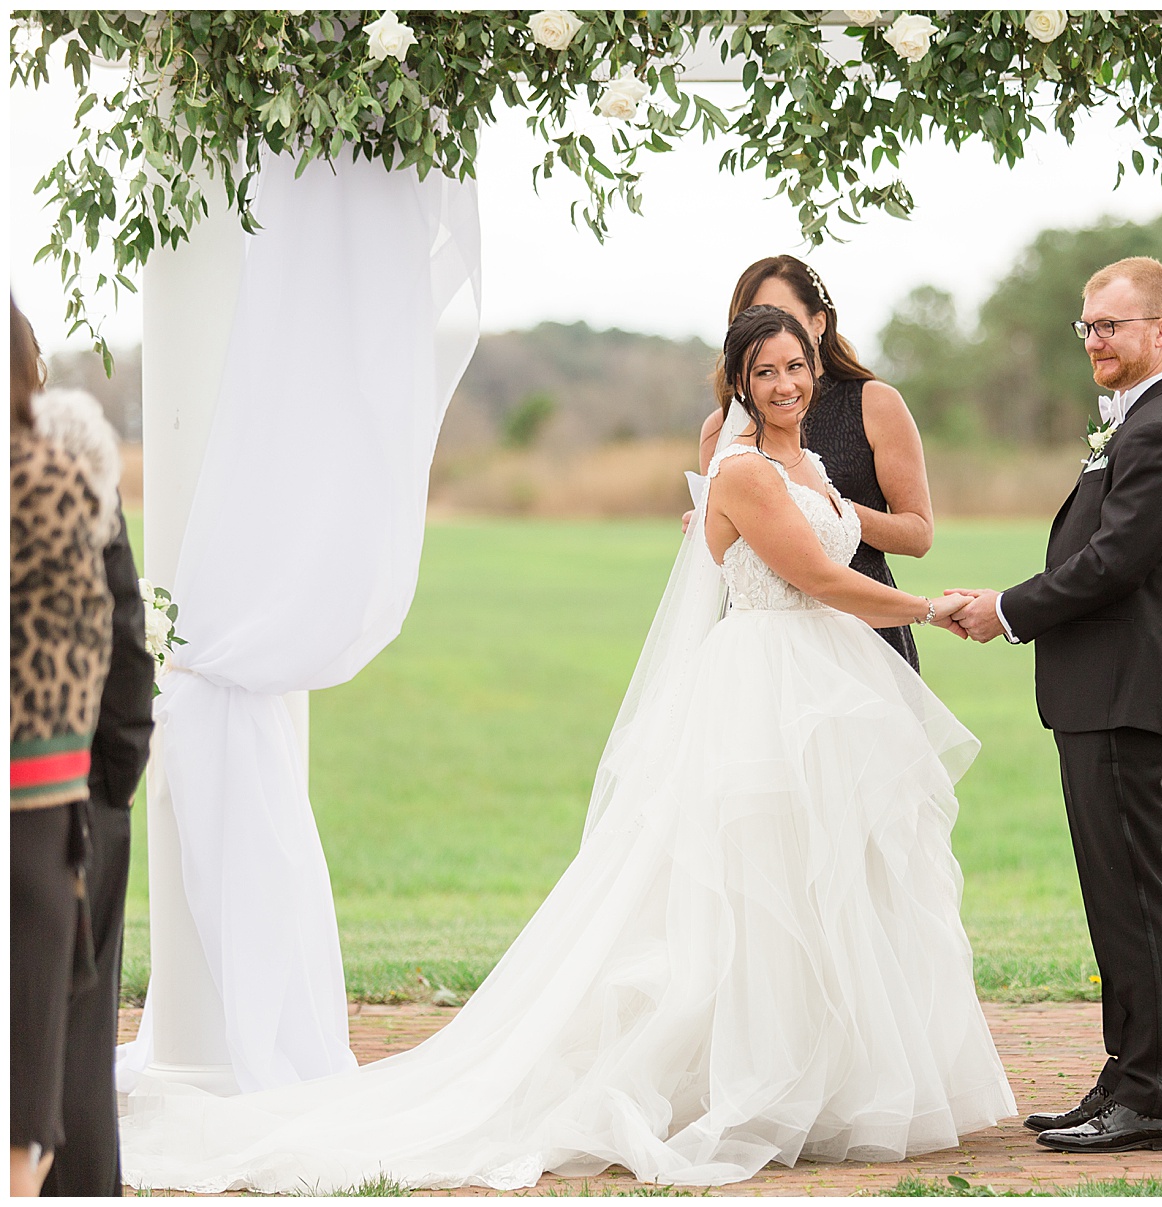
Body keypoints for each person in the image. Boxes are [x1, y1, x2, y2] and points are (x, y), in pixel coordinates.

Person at [117, 305, 1010, 1193]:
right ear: (740, 382)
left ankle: (823, 1085)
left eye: (798, 366)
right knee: (754, 886)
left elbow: (862, 547)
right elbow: (817, 577)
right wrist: (933, 607)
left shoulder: (809, 463)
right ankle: (743, 1084)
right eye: (767, 371)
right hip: (765, 685)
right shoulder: (740, 472)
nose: (787, 384)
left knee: (831, 883)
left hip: (826, 684)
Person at [944, 258, 1162, 1154]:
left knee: (1136, 896)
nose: (1096, 340)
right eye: (1087, 326)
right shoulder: (1134, 424)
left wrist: (1006, 611)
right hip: (1097, 694)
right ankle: (1127, 1075)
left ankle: (1153, 1096)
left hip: (1124, 694)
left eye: (1113, 325)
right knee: (1115, 898)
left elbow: (1112, 563)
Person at [694, 256, 933, 671]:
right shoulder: (721, 430)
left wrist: (820, 511)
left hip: (868, 619)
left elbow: (919, 535)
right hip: (770, 646)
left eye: (782, 315)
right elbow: (724, 556)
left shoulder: (873, 403)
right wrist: (711, 524)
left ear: (818, 322)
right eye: (751, 317)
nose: (769, 327)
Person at [10, 301, 116, 1196]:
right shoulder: (62, 482)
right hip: (40, 795)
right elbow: (100, 639)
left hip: (42, 792)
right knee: (31, 1072)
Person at [42, 487, 155, 1195]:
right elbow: (123, 643)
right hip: (65, 794)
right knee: (76, 1037)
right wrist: (115, 780)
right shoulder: (75, 484)